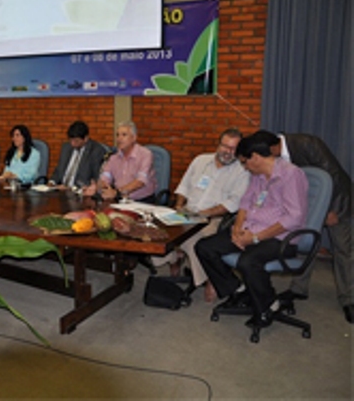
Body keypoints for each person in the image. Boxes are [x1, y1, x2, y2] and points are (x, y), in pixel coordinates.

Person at [195, 134, 308, 328]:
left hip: (280, 237)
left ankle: (267, 306)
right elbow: (245, 202)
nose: (245, 167)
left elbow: (294, 217)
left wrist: (255, 238)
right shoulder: (258, 175)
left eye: (244, 162)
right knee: (205, 248)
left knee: (247, 262)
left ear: (255, 157)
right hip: (250, 230)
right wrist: (237, 228)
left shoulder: (291, 175)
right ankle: (239, 290)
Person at [253, 130, 353, 323]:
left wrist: (330, 209)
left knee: (344, 250)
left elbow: (333, 175)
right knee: (305, 243)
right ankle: (299, 289)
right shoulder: (276, 157)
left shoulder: (309, 143)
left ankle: (349, 299)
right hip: (307, 203)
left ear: (273, 147)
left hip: (337, 201)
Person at [152, 128, 250, 302]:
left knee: (193, 240)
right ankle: (174, 258)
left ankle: (209, 277)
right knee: (158, 231)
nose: (228, 152)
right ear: (218, 144)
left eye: (233, 148)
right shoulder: (200, 160)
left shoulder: (242, 171)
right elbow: (184, 186)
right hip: (187, 212)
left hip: (214, 218)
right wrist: (179, 206)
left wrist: (204, 214)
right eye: (225, 146)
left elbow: (233, 203)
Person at [83, 121, 156, 202]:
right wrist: (98, 187)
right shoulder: (113, 158)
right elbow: (105, 177)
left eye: (124, 135)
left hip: (142, 201)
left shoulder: (145, 155)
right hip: (120, 200)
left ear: (134, 138)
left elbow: (140, 181)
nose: (119, 139)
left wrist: (117, 192)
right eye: (117, 135)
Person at [48, 120, 107, 189]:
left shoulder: (96, 151)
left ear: (86, 138)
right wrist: (52, 183)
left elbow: (96, 178)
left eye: (76, 141)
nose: (72, 144)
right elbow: (58, 171)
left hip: (79, 191)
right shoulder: (66, 147)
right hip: (60, 189)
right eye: (70, 140)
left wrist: (71, 188)